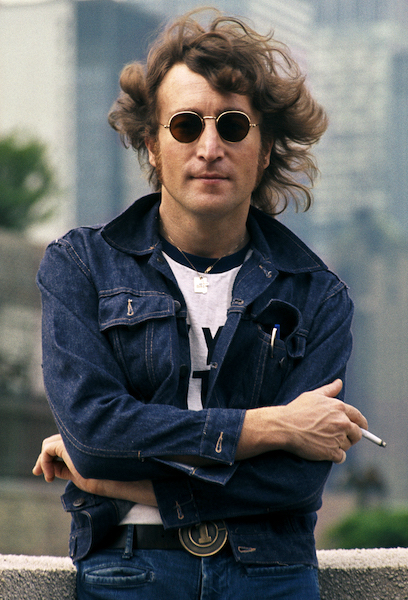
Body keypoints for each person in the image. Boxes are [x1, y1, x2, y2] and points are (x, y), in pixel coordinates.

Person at [33, 9, 367, 600]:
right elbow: (94, 434)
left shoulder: (318, 293)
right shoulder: (81, 266)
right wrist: (270, 426)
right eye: (185, 126)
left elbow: (292, 483)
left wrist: (115, 483)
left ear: (264, 150)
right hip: (128, 570)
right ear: (152, 147)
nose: (210, 147)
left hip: (271, 574)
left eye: (234, 126)